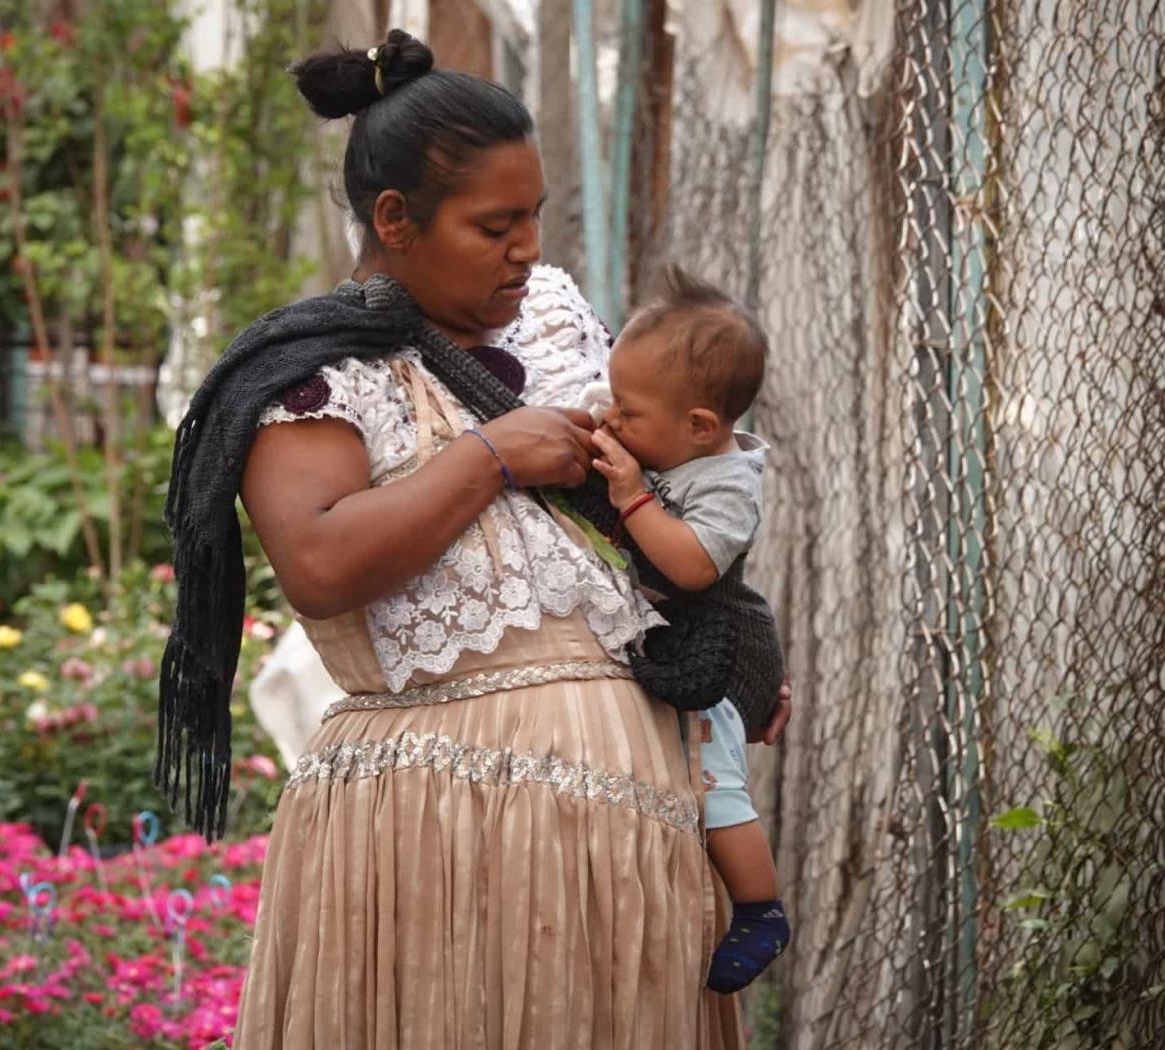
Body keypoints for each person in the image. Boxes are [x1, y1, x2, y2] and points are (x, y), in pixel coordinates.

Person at [156, 29, 790, 1050]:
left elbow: (672, 498)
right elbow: (318, 563)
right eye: (496, 225)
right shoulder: (317, 375)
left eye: (534, 215)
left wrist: (733, 654)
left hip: (632, 852)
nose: (528, 247)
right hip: (433, 849)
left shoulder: (557, 330)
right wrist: (489, 456)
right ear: (395, 219)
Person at [586, 267, 792, 995]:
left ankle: (761, 909)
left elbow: (694, 566)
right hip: (686, 642)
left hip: (723, 656)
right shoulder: (668, 438)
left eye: (629, 411)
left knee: (714, 786)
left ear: (700, 426)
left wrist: (633, 496)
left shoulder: (728, 483)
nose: (613, 418)